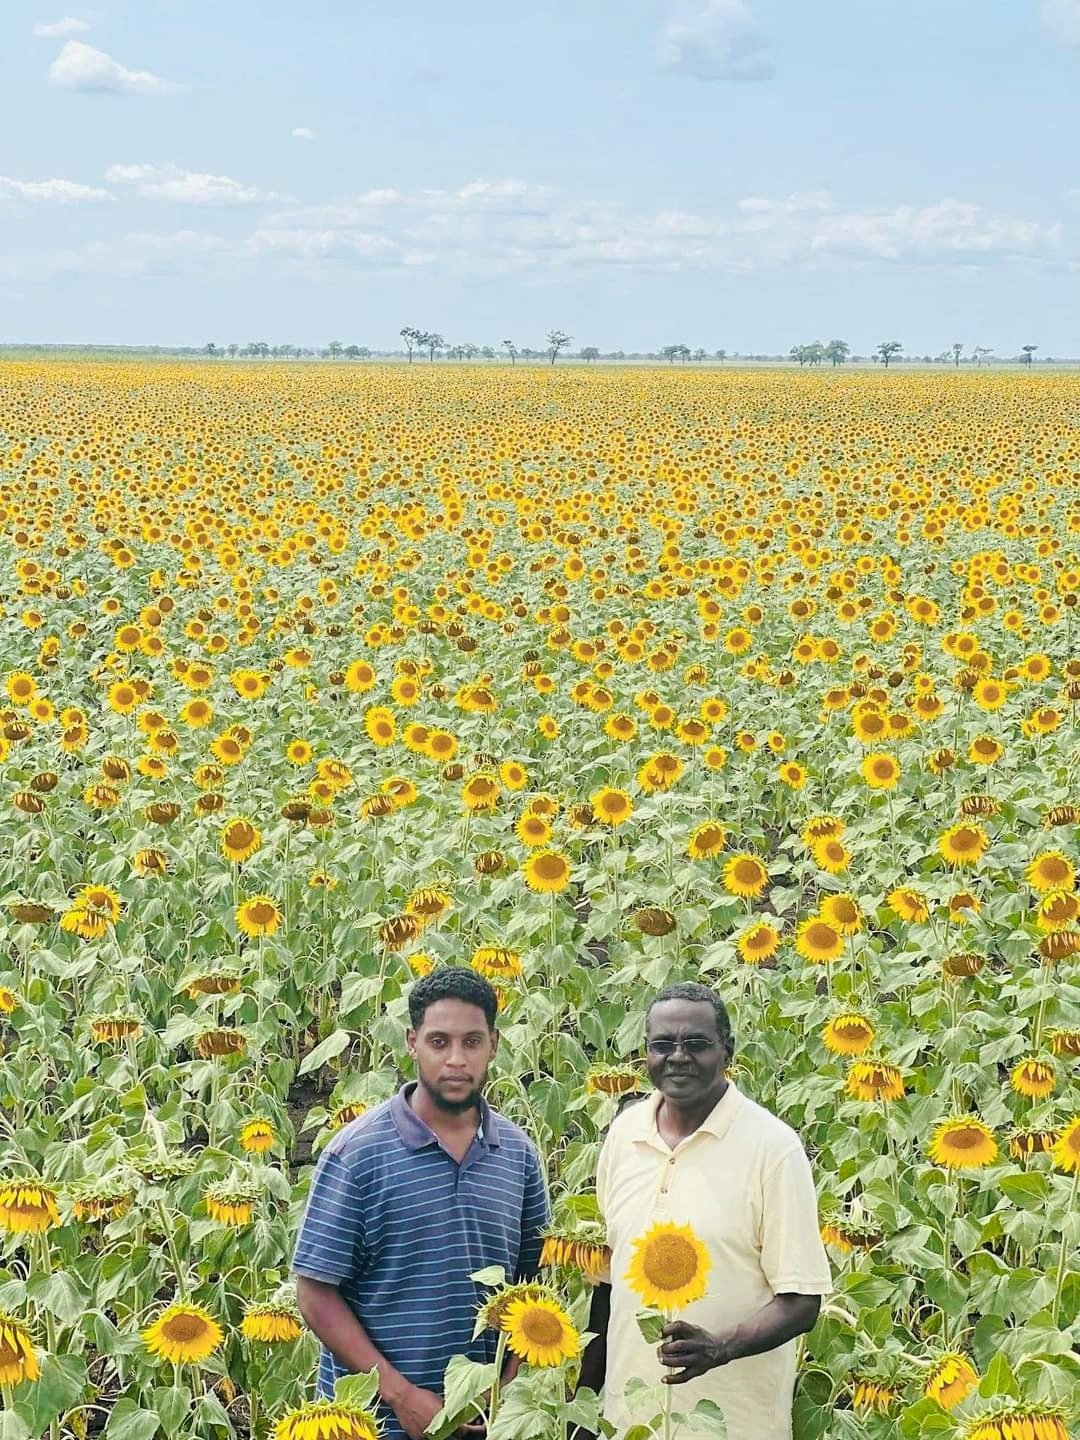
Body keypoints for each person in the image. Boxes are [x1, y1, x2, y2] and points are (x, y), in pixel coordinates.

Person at [292, 967, 550, 1440]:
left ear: (494, 1043)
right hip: (375, 1422)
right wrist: (402, 1397)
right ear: (412, 1043)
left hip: (482, 1421)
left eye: (472, 1042)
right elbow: (315, 1292)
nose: (456, 1059)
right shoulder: (358, 1155)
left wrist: (507, 1383)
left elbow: (531, 1283)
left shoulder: (518, 1155)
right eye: (439, 1042)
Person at [579, 981, 831, 1440]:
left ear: (726, 1050)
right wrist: (586, 1409)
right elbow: (607, 1283)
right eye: (662, 1045)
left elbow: (802, 1301)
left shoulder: (772, 1149)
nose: (678, 1057)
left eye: (696, 1044)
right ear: (646, 1053)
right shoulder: (624, 1136)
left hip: (733, 1423)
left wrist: (721, 1347)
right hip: (628, 1417)